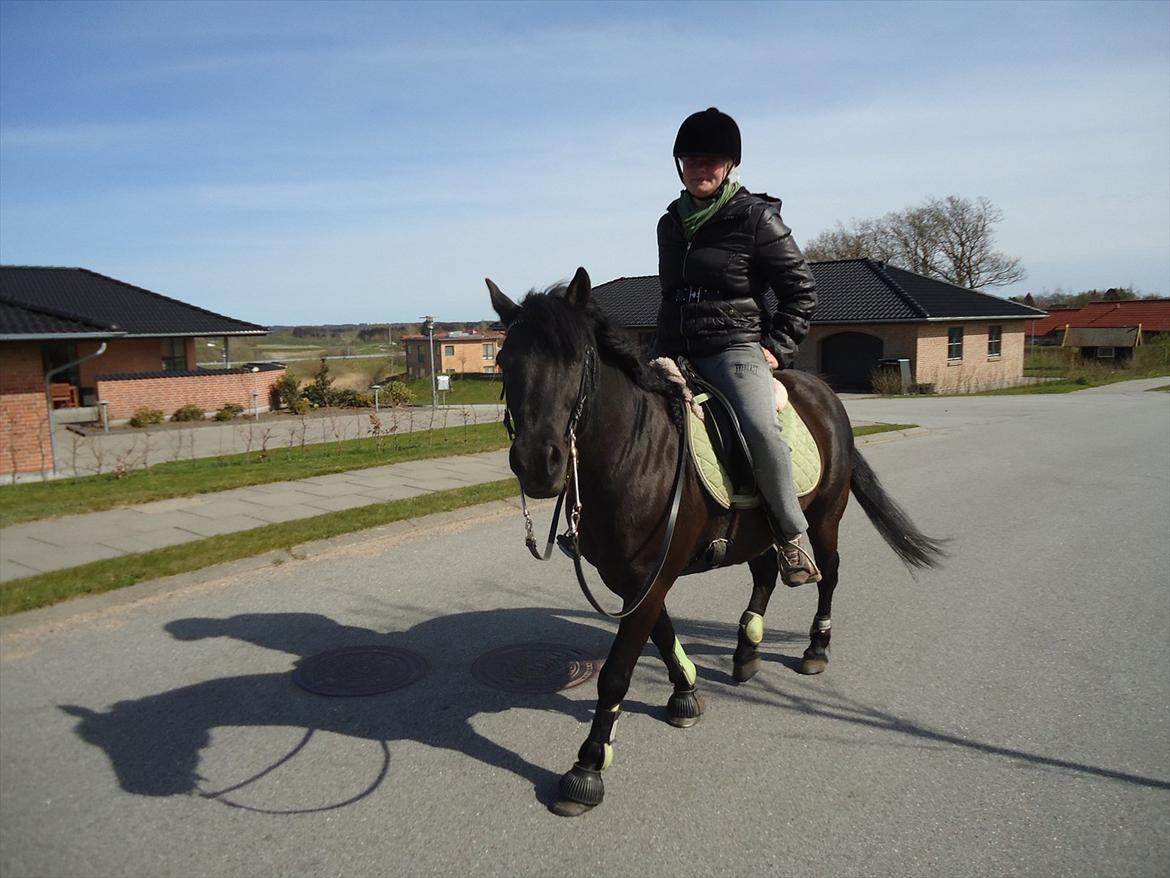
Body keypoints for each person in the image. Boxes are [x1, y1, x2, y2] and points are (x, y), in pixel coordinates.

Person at [655, 107, 820, 586]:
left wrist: (777, 347)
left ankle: (790, 535)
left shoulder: (755, 217)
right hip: (673, 345)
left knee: (759, 428)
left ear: (729, 165)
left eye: (712, 160)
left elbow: (801, 289)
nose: (700, 168)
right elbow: (671, 295)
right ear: (679, 164)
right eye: (691, 159)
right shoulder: (670, 223)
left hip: (733, 347)